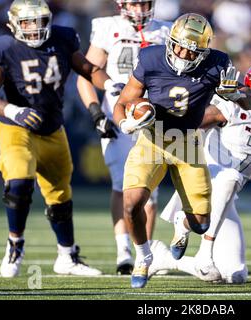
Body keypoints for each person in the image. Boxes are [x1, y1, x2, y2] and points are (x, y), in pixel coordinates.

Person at [0, 0, 114, 277]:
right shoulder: (4, 47)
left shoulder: (62, 37)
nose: (34, 28)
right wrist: (13, 110)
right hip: (17, 128)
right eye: (27, 22)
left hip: (53, 128)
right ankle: (15, 243)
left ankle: (67, 256)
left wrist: (112, 85)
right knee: (19, 182)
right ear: (13, 25)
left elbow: (88, 69)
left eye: (39, 21)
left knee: (60, 195)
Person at [112, 13, 251, 288]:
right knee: (131, 204)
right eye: (179, 46)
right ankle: (143, 255)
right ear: (170, 41)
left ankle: (182, 224)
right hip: (152, 138)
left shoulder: (218, 63)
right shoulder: (150, 58)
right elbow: (123, 103)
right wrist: (125, 122)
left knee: (200, 223)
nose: (184, 54)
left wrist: (236, 95)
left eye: (193, 50)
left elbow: (249, 101)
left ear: (205, 50)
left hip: (187, 141)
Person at [148, 60, 251, 283]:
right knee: (232, 176)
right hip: (205, 180)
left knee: (235, 275)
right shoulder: (233, 108)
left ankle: (164, 258)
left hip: (226, 196)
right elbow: (192, 122)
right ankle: (204, 250)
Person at [76, 0, 171, 275]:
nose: (140, 9)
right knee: (121, 183)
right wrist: (96, 113)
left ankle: (146, 252)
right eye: (135, 3)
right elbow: (86, 73)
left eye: (145, 3)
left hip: (153, 116)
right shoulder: (107, 27)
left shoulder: (165, 31)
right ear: (121, 4)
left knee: (149, 190)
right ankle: (124, 252)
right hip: (117, 116)